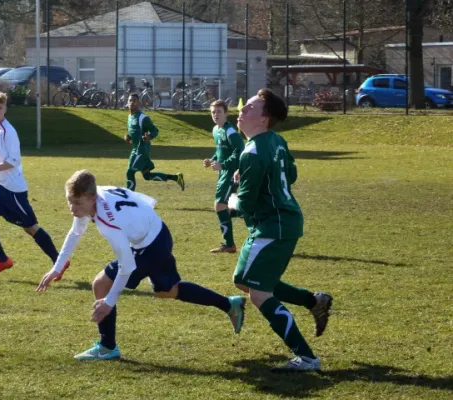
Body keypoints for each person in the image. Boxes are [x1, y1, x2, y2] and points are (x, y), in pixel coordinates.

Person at [36, 170, 245, 361]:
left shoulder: (108, 220)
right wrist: (58, 266)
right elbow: (76, 231)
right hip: (158, 232)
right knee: (168, 291)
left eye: (77, 204)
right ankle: (229, 304)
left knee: (101, 284)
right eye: (69, 201)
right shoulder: (94, 195)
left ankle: (107, 347)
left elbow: (127, 266)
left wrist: (109, 302)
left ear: (91, 199)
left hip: (150, 245)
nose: (72, 208)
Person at [228, 88, 333, 371]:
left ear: (264, 119)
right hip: (283, 221)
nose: (242, 110)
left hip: (272, 227)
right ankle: (313, 300)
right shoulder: (276, 140)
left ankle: (307, 358)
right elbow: (292, 174)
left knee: (258, 293)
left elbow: (245, 203)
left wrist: (231, 200)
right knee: (244, 280)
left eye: (250, 107)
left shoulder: (252, 151)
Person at [0, 91, 70, 279]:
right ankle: (3, 260)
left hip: (13, 190)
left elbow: (14, 161)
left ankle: (59, 262)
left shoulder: (7, 132)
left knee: (31, 227)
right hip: (0, 187)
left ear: (5, 109)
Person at [203, 100, 244, 253]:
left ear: (226, 113)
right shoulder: (216, 130)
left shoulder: (230, 131)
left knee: (220, 205)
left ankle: (229, 244)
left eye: (219, 112)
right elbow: (221, 151)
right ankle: (246, 212)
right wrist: (212, 160)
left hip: (231, 173)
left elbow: (239, 151)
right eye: (213, 112)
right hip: (223, 173)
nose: (215, 115)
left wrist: (223, 165)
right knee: (225, 206)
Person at [124, 93, 185, 192]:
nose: (132, 102)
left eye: (134, 100)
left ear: (139, 103)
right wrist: (128, 137)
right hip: (136, 148)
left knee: (130, 172)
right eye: (130, 100)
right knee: (147, 176)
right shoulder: (130, 117)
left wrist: (150, 136)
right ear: (127, 102)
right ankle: (176, 178)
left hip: (141, 149)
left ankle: (129, 198)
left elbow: (154, 130)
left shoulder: (143, 118)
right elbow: (134, 132)